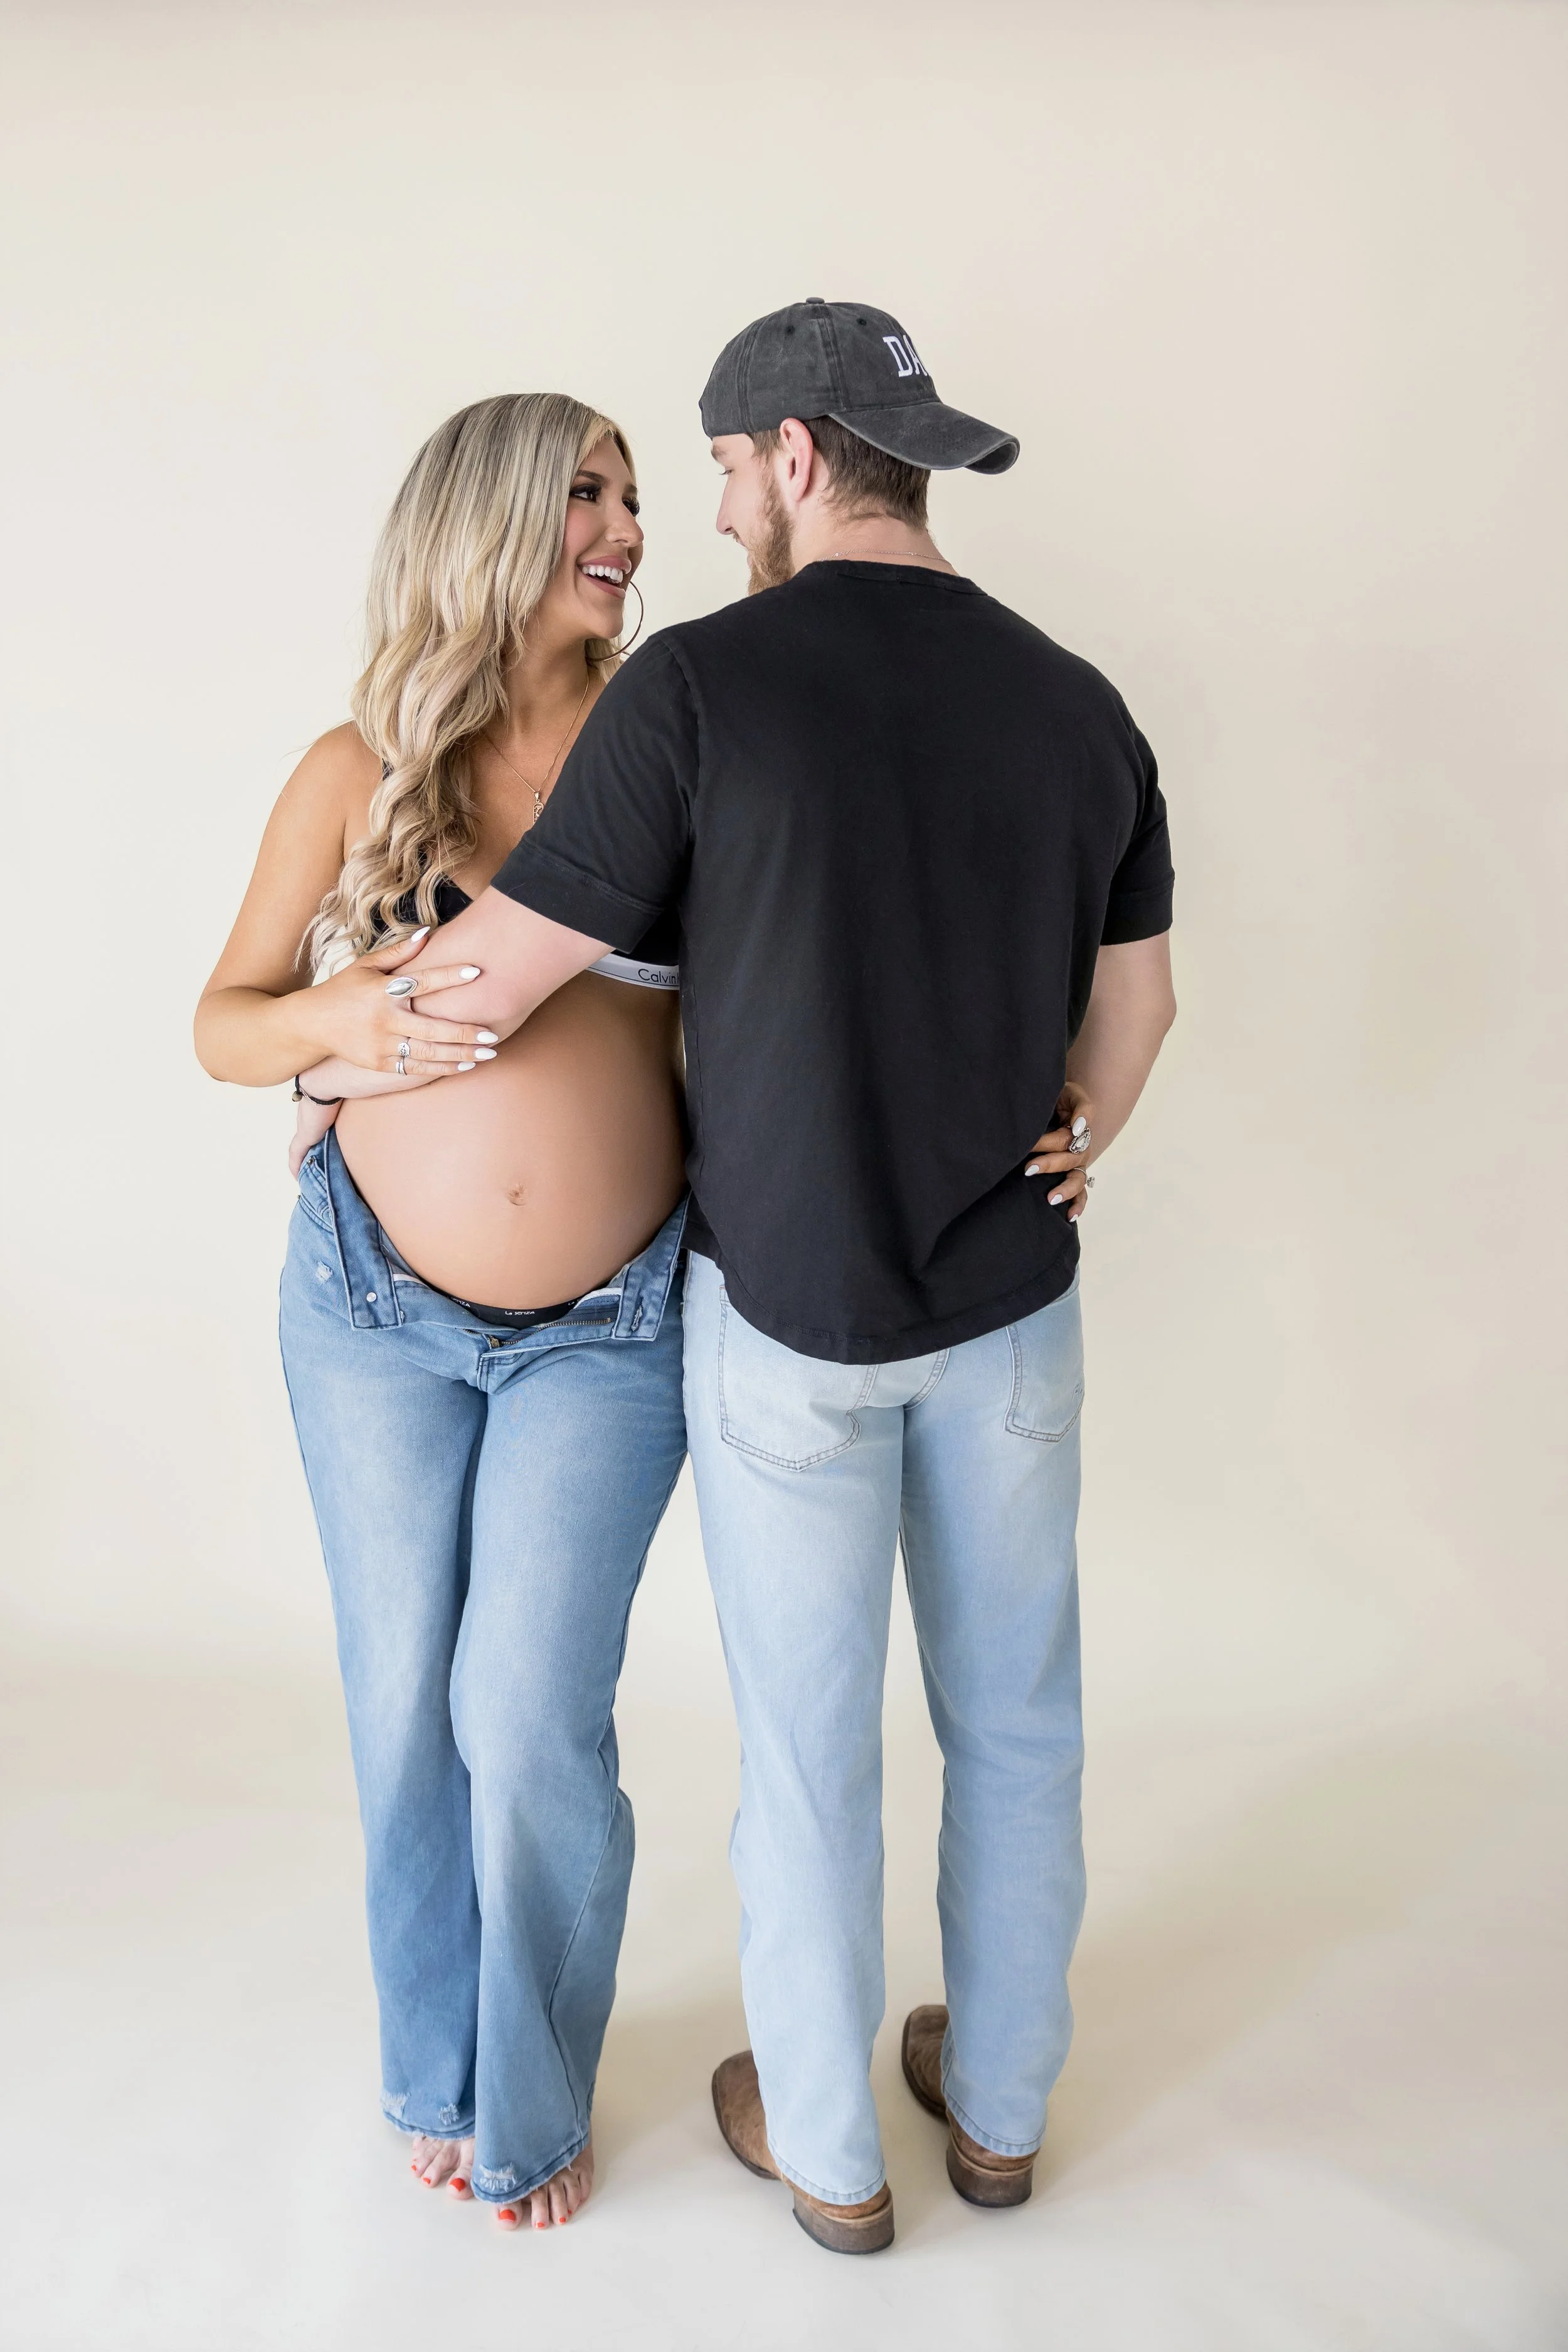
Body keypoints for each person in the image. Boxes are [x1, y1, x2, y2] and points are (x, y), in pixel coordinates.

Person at [326, 298, 1178, 2255]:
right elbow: (1137, 1008)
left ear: (794, 455)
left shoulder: (697, 688)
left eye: (714, 470)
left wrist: (321, 1045)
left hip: (787, 1319)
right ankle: (1000, 2114)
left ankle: (829, 2151)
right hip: (1008, 1305)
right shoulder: (1079, 700)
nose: (707, 513)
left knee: (807, 1751)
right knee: (1019, 1721)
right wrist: (1079, 1137)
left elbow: (497, 973)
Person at [193, 393, 689, 2232]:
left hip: (613, 1318)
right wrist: (347, 1026)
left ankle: (535, 2096)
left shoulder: (671, 748)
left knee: (531, 1704)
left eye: (636, 493)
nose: (627, 522)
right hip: (368, 1310)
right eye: (586, 491)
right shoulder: (357, 766)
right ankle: (435, 2063)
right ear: (487, 522)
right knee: (405, 1691)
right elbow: (226, 1021)